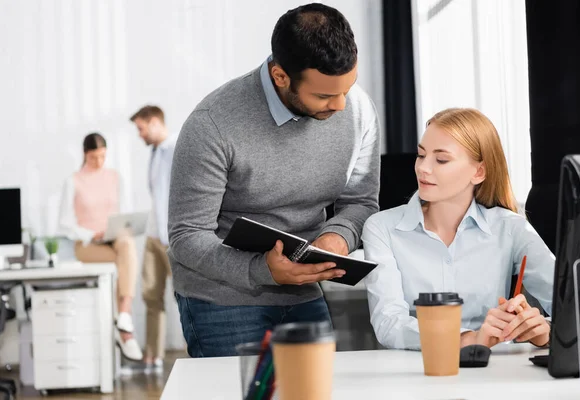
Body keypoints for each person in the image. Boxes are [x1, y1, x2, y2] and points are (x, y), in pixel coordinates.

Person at [169, 3, 381, 358]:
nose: (341, 105)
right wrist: (261, 269)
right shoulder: (212, 125)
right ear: (280, 76)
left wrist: (337, 237)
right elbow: (186, 236)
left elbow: (360, 202)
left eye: (348, 88)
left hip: (304, 290)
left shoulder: (357, 110)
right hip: (223, 299)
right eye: (325, 95)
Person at [362, 108, 554, 350]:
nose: (423, 168)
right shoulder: (382, 227)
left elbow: (576, 306)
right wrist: (469, 338)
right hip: (415, 374)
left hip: (495, 373)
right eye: (421, 155)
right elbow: (389, 323)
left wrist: (545, 330)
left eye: (441, 159)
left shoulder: (510, 227)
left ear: (479, 172)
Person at [58, 132, 143, 361]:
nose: (99, 162)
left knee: (126, 244)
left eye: (103, 156)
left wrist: (121, 227)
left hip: (114, 239)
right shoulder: (73, 181)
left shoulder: (115, 177)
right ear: (85, 154)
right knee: (125, 260)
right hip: (87, 244)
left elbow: (124, 211)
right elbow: (64, 223)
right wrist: (89, 233)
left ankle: (123, 316)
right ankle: (125, 331)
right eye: (94, 157)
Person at [130, 105, 177, 373]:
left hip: (173, 238)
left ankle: (197, 354)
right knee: (151, 296)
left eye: (141, 128)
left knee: (185, 296)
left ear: (155, 122)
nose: (139, 134)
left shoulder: (176, 149)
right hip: (153, 235)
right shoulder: (154, 154)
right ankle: (153, 357)